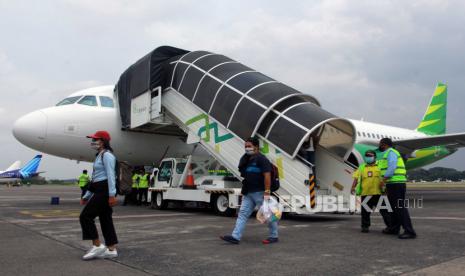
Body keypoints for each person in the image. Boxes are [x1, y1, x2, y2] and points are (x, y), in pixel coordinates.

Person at [220, 137, 279, 245]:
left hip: (260, 192)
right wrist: (244, 192)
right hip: (248, 192)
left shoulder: (262, 159)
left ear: (256, 147)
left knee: (269, 214)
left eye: (249, 146)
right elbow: (247, 176)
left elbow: (267, 176)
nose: (247, 148)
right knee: (242, 214)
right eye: (246, 146)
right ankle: (235, 236)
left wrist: (267, 191)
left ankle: (273, 236)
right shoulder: (247, 159)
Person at [79, 130, 119, 260]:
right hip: (99, 188)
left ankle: (97, 245)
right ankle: (111, 249)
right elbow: (95, 178)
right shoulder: (99, 155)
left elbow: (111, 175)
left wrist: (112, 194)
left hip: (105, 190)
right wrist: (87, 195)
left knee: (85, 216)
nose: (93, 142)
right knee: (105, 219)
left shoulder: (107, 156)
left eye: (95, 139)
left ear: (103, 141)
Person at [378, 138, 416, 239]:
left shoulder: (391, 152)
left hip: (396, 183)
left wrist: (383, 180)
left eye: (380, 144)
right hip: (392, 183)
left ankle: (409, 231)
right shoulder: (388, 153)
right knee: (393, 207)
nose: (379, 146)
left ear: (384, 144)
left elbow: (391, 167)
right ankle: (394, 228)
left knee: (399, 207)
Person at [351, 150, 390, 233]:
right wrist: (352, 187)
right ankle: (365, 227)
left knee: (385, 212)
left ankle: (390, 227)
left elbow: (385, 177)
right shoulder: (362, 167)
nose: (368, 157)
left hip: (379, 193)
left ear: (375, 157)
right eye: (367, 156)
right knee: (365, 213)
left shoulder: (380, 166)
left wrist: (386, 188)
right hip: (366, 193)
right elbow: (356, 178)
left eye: (370, 156)